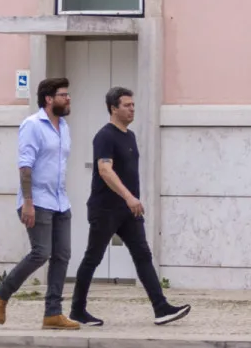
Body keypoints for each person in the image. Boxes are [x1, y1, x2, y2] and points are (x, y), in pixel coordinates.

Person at [69, 86, 191, 327]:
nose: (132, 109)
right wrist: (128, 197)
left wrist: (131, 201)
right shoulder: (105, 136)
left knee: (143, 255)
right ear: (113, 108)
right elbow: (105, 170)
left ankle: (161, 308)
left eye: (133, 105)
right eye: (127, 105)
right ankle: (77, 310)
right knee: (93, 258)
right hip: (105, 208)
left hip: (128, 210)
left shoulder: (130, 136)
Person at [0, 77, 77, 329]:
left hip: (60, 200)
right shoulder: (32, 125)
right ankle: (2, 293)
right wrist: (28, 202)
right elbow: (25, 165)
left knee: (62, 255)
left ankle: (53, 313)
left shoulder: (64, 127)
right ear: (49, 99)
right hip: (37, 200)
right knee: (41, 252)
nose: (68, 98)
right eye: (64, 95)